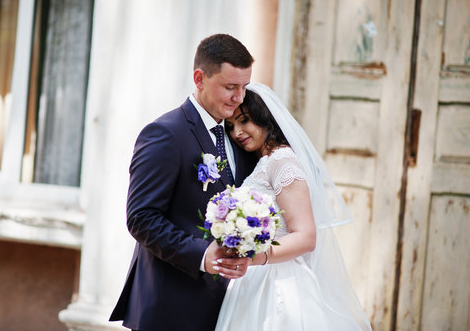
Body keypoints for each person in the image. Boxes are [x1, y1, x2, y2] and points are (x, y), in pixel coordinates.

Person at [109, 34, 259, 331]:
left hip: (227, 309)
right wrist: (202, 255)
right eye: (230, 87)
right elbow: (142, 218)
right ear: (199, 78)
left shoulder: (238, 135)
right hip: (170, 308)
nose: (239, 98)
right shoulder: (164, 134)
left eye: (244, 87)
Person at [214, 82, 372, 330]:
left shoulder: (282, 161)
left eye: (244, 120)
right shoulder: (264, 161)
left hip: (280, 280)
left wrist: (255, 257)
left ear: (264, 117)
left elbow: (306, 236)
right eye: (231, 126)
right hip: (254, 278)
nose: (237, 132)